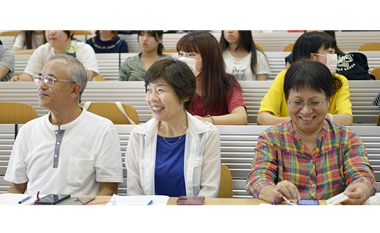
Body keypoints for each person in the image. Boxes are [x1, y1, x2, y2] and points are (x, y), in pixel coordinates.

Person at [246, 59, 377, 206]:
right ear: (287, 100)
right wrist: (272, 192)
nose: (306, 110)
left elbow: (363, 176)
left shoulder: (346, 137)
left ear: (328, 100)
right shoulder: (271, 137)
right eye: (297, 102)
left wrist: (361, 190)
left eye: (314, 102)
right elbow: (257, 177)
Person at [5, 54, 123, 196]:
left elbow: (108, 189)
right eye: (40, 78)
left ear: (74, 90)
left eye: (50, 80)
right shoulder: (27, 130)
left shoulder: (103, 129)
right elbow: (16, 189)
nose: (41, 86)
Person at [125, 58, 221, 197]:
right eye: (149, 90)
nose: (152, 98)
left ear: (185, 95)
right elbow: (134, 191)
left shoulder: (207, 134)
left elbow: (209, 190)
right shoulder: (139, 135)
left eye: (160, 90)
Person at [257, 32, 353, 126]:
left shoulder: (338, 80)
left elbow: (346, 119)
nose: (334, 57)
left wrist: (310, 119)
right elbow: (263, 118)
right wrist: (299, 119)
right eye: (330, 52)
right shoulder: (284, 77)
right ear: (312, 57)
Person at [176, 31, 247, 125]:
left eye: (191, 55)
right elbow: (159, 116)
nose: (183, 60)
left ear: (209, 58)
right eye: (181, 54)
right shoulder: (174, 82)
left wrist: (207, 121)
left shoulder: (227, 83)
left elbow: (241, 117)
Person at [9, 30, 98, 82]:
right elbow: (30, 75)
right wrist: (19, 79)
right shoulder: (41, 50)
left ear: (70, 31)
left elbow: (87, 78)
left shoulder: (85, 49)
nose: (51, 32)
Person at [286, 30, 374, 80]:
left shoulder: (339, 80)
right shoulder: (284, 76)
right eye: (310, 34)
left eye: (318, 33)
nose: (314, 36)